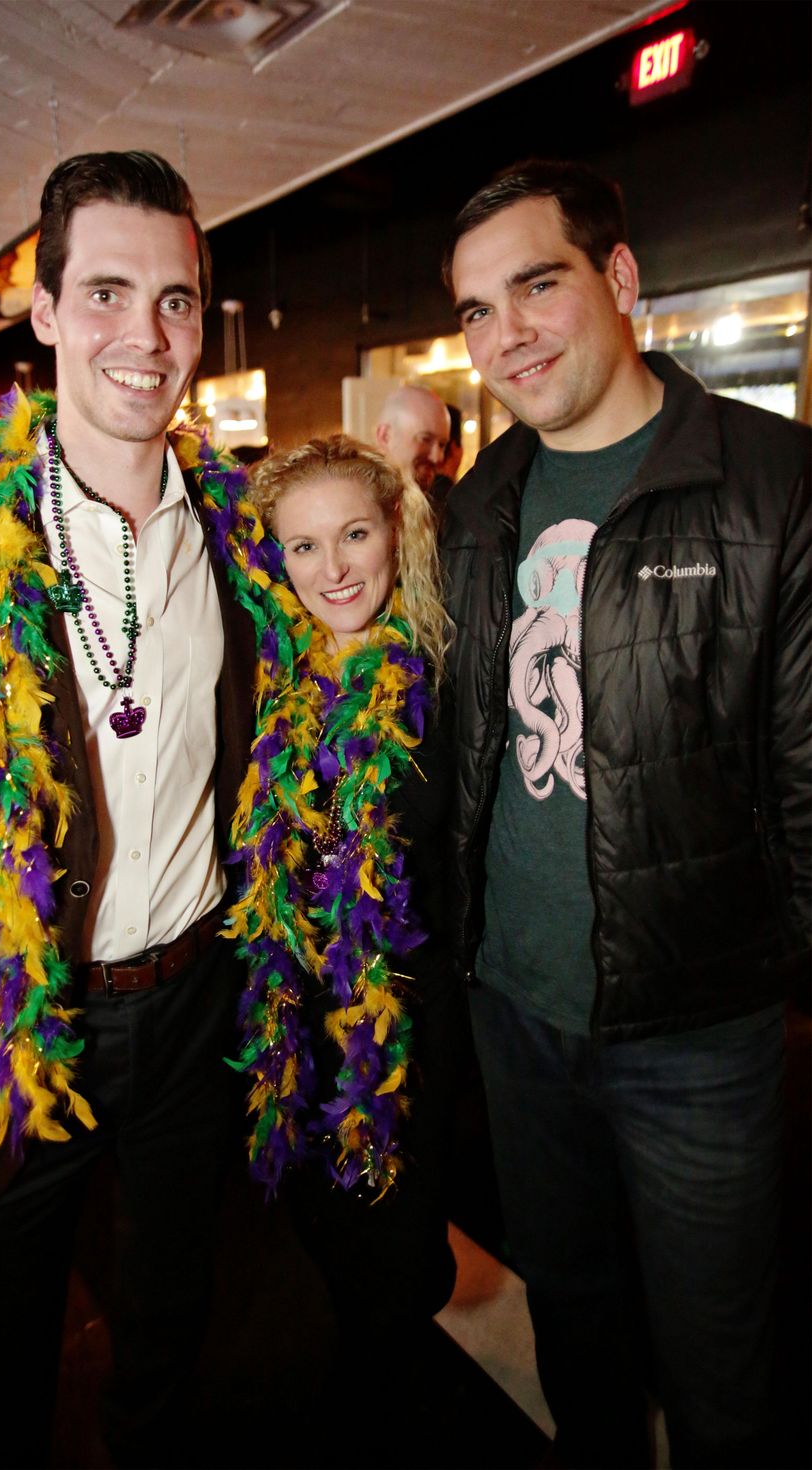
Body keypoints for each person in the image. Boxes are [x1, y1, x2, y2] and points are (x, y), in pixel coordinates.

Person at [0, 150, 254, 1469]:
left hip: (195, 1010)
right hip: (5, 1021)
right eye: (111, 293)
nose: (147, 335)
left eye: (176, 300)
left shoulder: (250, 532)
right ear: (48, 310)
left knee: (175, 1340)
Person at [440, 158, 810, 1469]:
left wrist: (773, 989)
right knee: (575, 1332)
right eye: (478, 309)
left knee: (725, 1370)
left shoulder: (774, 485)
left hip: (695, 1034)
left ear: (621, 276)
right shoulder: (476, 507)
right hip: (515, 1010)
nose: (506, 336)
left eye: (535, 285)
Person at [214, 434, 463, 1389]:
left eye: (353, 534)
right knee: (322, 1235)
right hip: (297, 1018)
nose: (334, 568)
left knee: (399, 1256)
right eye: (305, 546)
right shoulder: (273, 683)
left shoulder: (440, 673)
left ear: (393, 531)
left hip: (408, 1025)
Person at [374, 382, 451, 496]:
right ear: (385, 436)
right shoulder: (357, 502)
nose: (437, 457)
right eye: (425, 439)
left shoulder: (444, 504)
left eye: (442, 445)